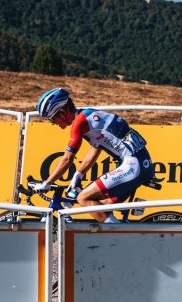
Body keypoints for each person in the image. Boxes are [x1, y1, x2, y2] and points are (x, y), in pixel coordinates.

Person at [31, 88, 155, 223]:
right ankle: (121, 235)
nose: (53, 123)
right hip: (140, 163)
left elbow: (67, 159)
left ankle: (117, 239)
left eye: (52, 119)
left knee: (83, 198)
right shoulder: (87, 114)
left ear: (62, 112)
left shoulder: (79, 123)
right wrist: (78, 175)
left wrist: (47, 183)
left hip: (133, 165)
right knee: (101, 206)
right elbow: (96, 147)